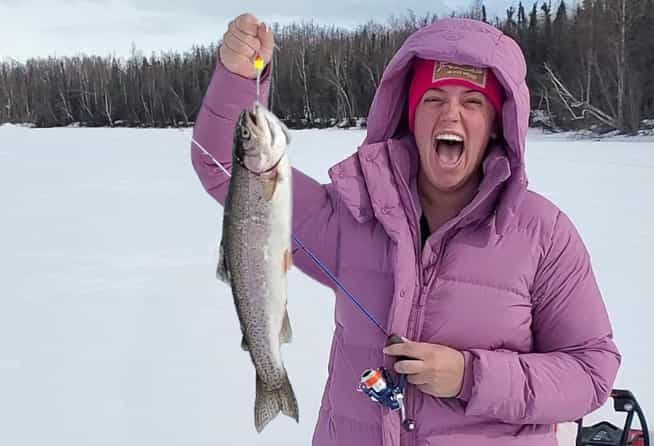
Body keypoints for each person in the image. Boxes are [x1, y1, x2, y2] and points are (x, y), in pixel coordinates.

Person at [190, 12, 621, 446]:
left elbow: (592, 371)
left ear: (496, 124)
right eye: (433, 99)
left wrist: (470, 376)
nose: (451, 113)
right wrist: (240, 79)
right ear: (409, 117)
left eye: (472, 102)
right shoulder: (352, 214)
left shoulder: (544, 234)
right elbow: (227, 167)